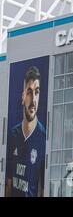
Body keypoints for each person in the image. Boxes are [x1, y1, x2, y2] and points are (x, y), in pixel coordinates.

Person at [5, 66, 46, 197]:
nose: (33, 99)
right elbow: (9, 182)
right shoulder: (13, 134)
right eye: (29, 92)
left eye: (37, 92)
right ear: (23, 97)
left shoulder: (43, 137)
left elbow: (43, 187)